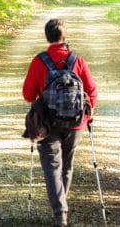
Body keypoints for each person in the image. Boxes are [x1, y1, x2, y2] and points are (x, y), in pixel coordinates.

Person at [22, 18, 98, 227]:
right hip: (76, 123)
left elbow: (28, 94)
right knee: (66, 166)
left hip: (47, 124)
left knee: (52, 167)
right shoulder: (78, 61)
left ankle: (60, 214)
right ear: (65, 36)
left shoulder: (40, 61)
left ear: (47, 37)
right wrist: (88, 115)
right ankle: (61, 207)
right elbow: (91, 90)